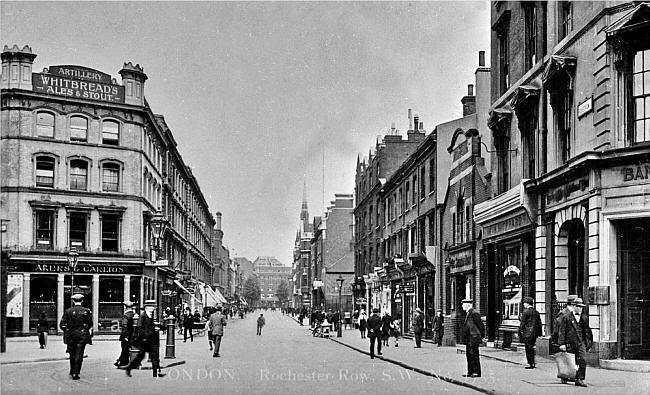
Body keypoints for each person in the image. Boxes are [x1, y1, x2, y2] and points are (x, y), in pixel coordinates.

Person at [556, 295, 593, 387]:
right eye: (578, 307)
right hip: (570, 342)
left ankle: (580, 379)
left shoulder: (584, 318)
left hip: (581, 343)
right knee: (569, 360)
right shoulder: (566, 317)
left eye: (581, 307)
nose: (580, 309)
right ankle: (565, 375)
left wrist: (588, 343)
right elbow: (562, 331)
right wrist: (562, 344)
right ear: (574, 306)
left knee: (582, 360)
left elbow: (587, 331)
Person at [125, 300, 164, 378]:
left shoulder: (150, 315)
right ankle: (129, 368)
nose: (153, 308)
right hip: (145, 340)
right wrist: (143, 337)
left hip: (151, 340)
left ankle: (156, 373)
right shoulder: (143, 316)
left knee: (154, 356)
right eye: (152, 307)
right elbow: (139, 327)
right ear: (147, 307)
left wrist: (155, 329)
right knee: (141, 356)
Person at [59, 293, 93, 380]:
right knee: (79, 354)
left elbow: (62, 324)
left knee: (72, 353)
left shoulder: (68, 311)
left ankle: (72, 370)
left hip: (71, 335)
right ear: (82, 300)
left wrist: (68, 330)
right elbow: (90, 323)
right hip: (82, 335)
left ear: (73, 301)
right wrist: (84, 330)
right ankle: (76, 373)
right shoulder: (86, 311)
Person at [461, 298, 485, 378]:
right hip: (469, 338)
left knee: (474, 355)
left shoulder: (474, 313)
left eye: (463, 304)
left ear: (468, 305)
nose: (462, 306)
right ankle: (470, 371)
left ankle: (476, 372)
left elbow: (480, 326)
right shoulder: (468, 313)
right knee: (469, 355)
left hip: (473, 338)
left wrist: (481, 336)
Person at [518, 296, 543, 369]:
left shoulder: (525, 312)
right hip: (534, 333)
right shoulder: (536, 312)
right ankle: (532, 362)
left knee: (528, 349)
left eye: (524, 303)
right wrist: (540, 333)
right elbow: (539, 323)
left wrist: (520, 332)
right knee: (531, 348)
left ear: (527, 303)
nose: (523, 305)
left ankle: (530, 363)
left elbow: (522, 323)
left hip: (527, 333)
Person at [114, 301, 135, 367]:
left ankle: (122, 362)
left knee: (124, 348)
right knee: (126, 348)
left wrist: (124, 336)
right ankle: (120, 361)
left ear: (126, 307)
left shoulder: (126, 315)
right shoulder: (133, 314)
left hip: (127, 335)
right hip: (132, 334)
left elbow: (124, 326)